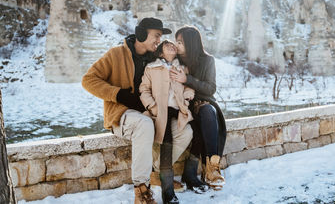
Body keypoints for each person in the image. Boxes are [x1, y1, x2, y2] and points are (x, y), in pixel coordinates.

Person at [82, 17, 184, 204]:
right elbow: (88, 80)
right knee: (144, 125)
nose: (158, 41)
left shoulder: (156, 59)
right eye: (156, 36)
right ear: (141, 34)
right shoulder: (116, 54)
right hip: (121, 114)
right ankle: (141, 190)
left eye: (160, 37)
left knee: (184, 130)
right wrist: (118, 94)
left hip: (148, 113)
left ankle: (156, 173)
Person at [170, 25, 227, 192]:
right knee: (194, 127)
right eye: (176, 41)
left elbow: (210, 88)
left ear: (190, 43)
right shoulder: (175, 60)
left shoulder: (207, 60)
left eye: (180, 42)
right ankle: (190, 173)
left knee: (208, 113)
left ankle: (212, 169)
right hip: (182, 104)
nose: (177, 45)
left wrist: (187, 79)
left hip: (204, 102)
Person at [140, 40, 194, 204]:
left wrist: (187, 96)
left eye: (173, 45)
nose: (172, 46)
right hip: (159, 113)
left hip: (178, 112)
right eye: (166, 45)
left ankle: (157, 170)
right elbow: (143, 90)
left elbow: (188, 87)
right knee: (166, 142)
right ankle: (168, 192)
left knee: (187, 133)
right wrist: (153, 107)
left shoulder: (182, 68)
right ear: (161, 53)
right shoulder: (151, 68)